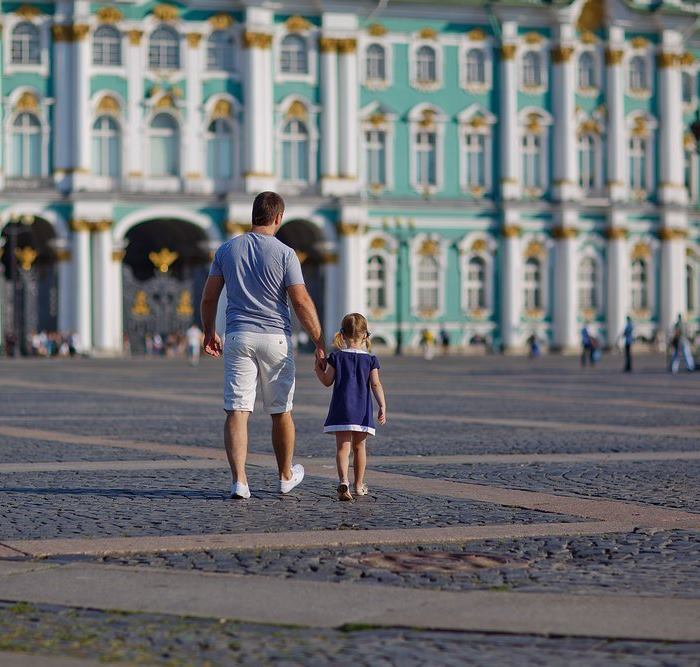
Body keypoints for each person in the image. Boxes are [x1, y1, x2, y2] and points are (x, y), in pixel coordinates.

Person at [200, 191, 326, 500]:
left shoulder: (227, 250)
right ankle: (285, 475)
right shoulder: (285, 253)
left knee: (237, 410)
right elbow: (301, 301)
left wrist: (208, 332)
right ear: (279, 217)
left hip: (238, 336)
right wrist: (320, 341)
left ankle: (240, 482)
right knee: (281, 410)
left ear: (253, 214)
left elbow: (209, 297)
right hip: (275, 338)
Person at [314, 313, 386, 501]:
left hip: (341, 409)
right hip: (361, 411)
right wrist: (382, 405)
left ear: (342, 335)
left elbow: (327, 381)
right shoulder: (371, 360)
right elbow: (376, 385)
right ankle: (359, 485)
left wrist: (317, 370)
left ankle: (343, 480)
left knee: (342, 449)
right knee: (360, 447)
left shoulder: (336, 357)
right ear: (365, 335)